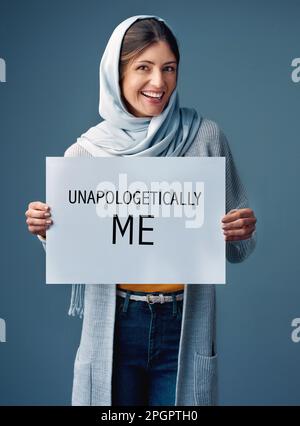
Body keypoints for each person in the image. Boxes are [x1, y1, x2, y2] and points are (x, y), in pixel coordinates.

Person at [25, 15, 257, 406]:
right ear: (116, 74)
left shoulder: (204, 136)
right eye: (143, 68)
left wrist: (242, 230)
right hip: (116, 324)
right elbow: (76, 261)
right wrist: (49, 232)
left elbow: (239, 251)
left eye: (169, 69)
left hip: (184, 322)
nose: (158, 83)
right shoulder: (85, 153)